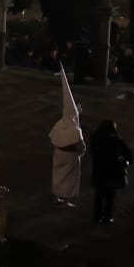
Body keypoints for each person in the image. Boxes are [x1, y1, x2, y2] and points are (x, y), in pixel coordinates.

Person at [49, 65, 84, 206]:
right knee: (68, 178)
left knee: (58, 175)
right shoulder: (75, 129)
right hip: (70, 157)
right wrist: (81, 152)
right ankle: (65, 199)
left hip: (58, 154)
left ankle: (57, 196)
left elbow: (54, 138)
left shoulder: (60, 124)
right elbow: (80, 146)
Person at [88, 119, 134, 224]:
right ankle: (107, 217)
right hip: (113, 172)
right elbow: (128, 155)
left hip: (99, 171)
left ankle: (97, 216)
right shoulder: (116, 140)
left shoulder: (95, 138)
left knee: (99, 195)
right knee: (110, 196)